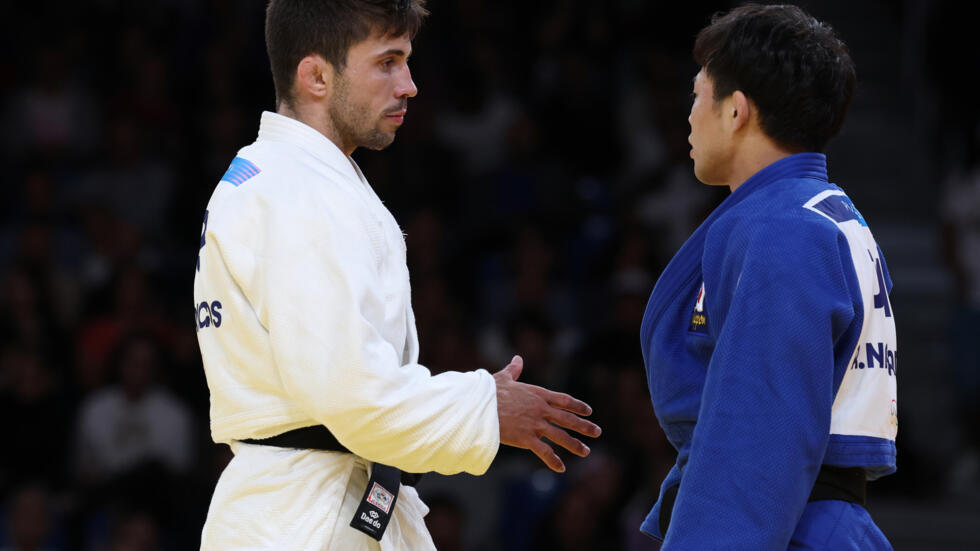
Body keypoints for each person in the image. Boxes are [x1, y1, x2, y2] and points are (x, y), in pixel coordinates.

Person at [193, 1, 601, 549]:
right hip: (304, 518)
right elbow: (352, 394)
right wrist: (486, 408)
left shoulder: (280, 178)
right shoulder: (299, 194)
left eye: (406, 61)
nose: (409, 85)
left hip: (313, 503)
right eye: (388, 62)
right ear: (316, 75)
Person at [639, 4, 897, 550]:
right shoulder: (819, 213)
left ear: (736, 111)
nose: (689, 115)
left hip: (781, 522)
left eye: (697, 94)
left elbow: (757, 438)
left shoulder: (785, 229)